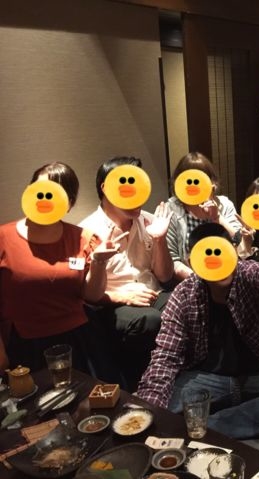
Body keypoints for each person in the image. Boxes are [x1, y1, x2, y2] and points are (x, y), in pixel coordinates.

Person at [137, 223, 259, 439]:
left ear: (235, 252)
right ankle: (212, 427)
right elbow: (165, 357)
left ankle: (204, 429)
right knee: (159, 413)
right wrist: (146, 412)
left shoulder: (250, 274)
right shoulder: (184, 294)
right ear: (192, 263)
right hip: (207, 379)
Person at [0, 163, 117, 374]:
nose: (46, 199)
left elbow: (91, 295)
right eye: (40, 191)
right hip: (24, 343)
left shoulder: (84, 238)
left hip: (80, 341)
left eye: (56, 194)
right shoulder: (3, 239)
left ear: (69, 203)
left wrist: (99, 262)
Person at [80, 156, 174, 390]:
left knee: (184, 305)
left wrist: (160, 240)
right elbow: (87, 295)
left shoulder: (149, 220)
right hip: (111, 304)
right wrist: (121, 296)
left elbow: (164, 276)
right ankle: (138, 386)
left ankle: (172, 377)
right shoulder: (87, 230)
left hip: (152, 293)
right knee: (149, 320)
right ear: (106, 188)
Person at [166, 152, 244, 282]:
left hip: (227, 277)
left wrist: (217, 217)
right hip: (192, 281)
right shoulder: (171, 209)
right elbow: (173, 261)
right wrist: (202, 282)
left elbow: (241, 246)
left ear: (212, 182)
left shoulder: (224, 204)